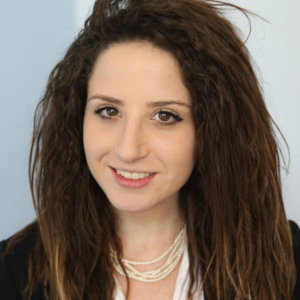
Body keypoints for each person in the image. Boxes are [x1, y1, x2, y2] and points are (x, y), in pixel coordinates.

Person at [0, 0, 299, 299]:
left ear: (215, 130)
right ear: (77, 117)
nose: (129, 149)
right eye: (108, 111)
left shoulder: (287, 258)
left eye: (165, 116)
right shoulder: (12, 271)